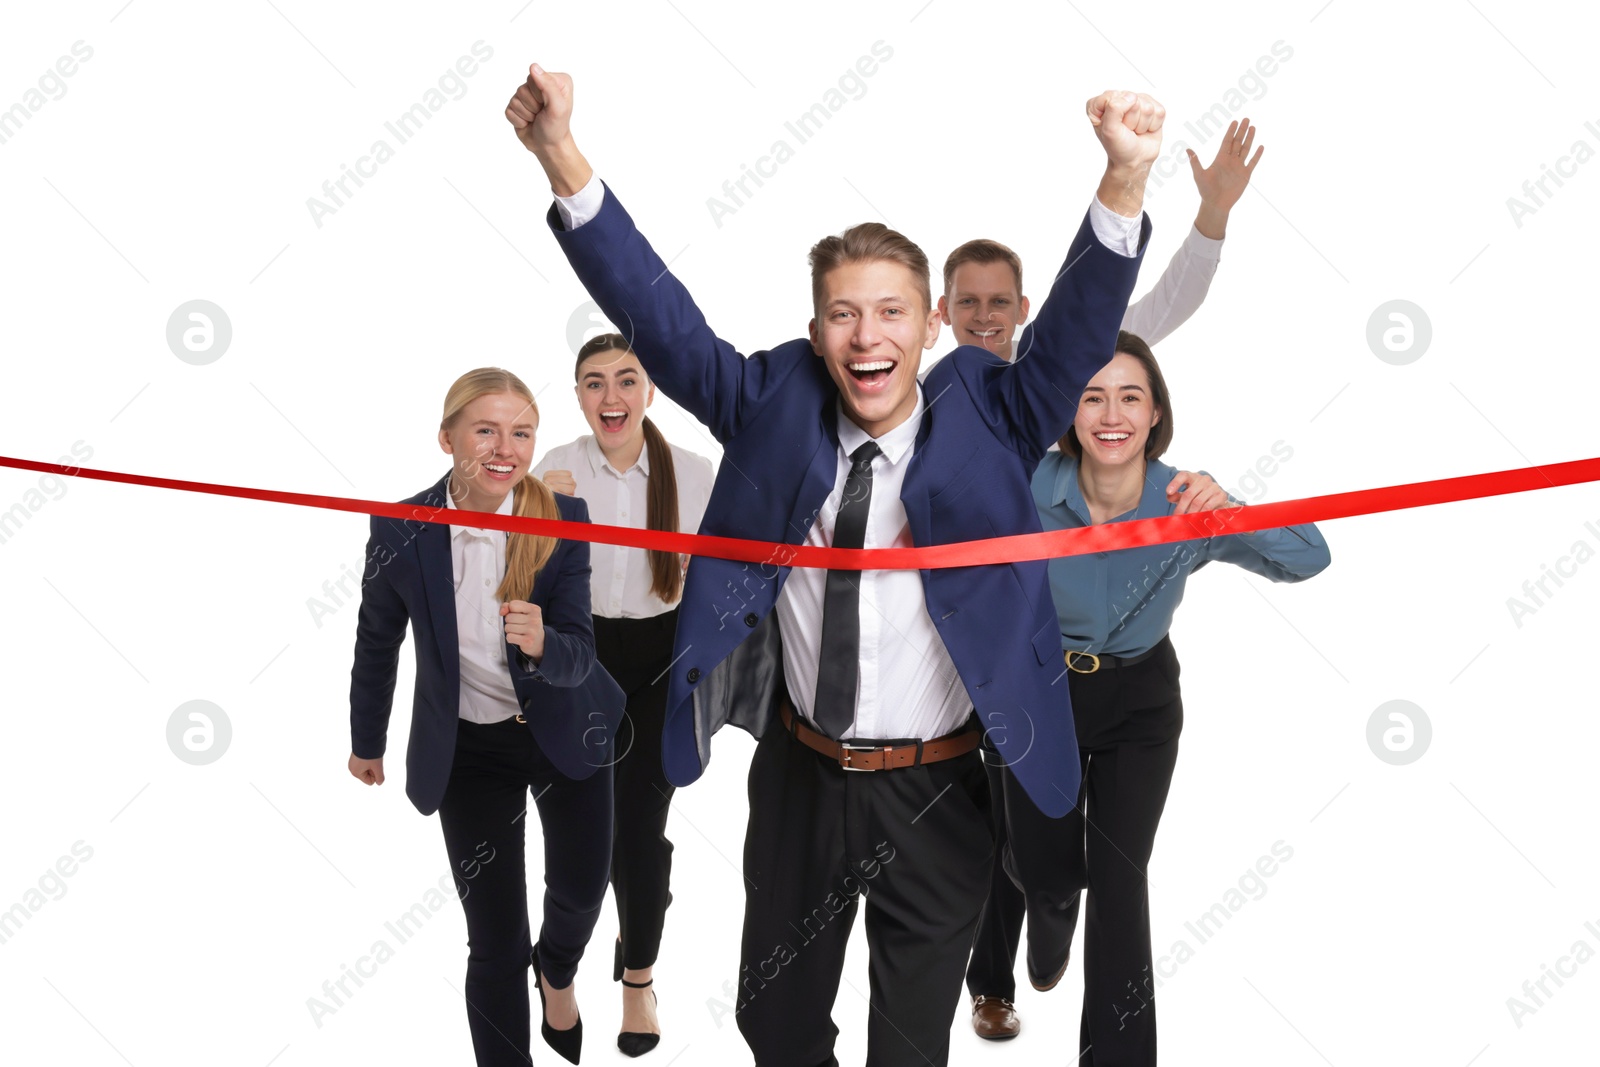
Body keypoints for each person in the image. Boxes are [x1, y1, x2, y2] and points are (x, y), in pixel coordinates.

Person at [507, 61, 1160, 1067]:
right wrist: (561, 156)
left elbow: (1073, 333)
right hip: (804, 780)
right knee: (774, 1025)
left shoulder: (994, 412)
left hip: (938, 793)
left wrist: (1122, 180)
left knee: (909, 1050)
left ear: (931, 324)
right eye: (845, 315)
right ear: (817, 334)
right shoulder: (775, 400)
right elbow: (664, 325)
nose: (868, 336)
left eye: (892, 312)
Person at [957, 119, 1265, 1042]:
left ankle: (1062, 957)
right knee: (1015, 832)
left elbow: (1165, 300)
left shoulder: (1064, 366)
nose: (983, 319)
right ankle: (1000, 973)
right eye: (966, 304)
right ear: (943, 311)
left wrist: (1208, 216)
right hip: (999, 652)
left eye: (999, 304)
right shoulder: (934, 391)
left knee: (1080, 850)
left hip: (1104, 661)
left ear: (1025, 312)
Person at [1002, 331, 1331, 1065]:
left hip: (1139, 702)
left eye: (1130, 396)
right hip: (1041, 694)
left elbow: (1311, 556)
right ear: (1070, 411)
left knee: (1121, 877)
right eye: (1091, 396)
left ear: (1155, 415)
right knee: (1046, 866)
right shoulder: (1028, 484)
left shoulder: (1183, 500)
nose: (1110, 412)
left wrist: (1232, 509)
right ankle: (1050, 906)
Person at [346, 367, 625, 1067]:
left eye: (522, 432)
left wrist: (543, 641)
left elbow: (580, 652)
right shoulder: (400, 529)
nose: (506, 447)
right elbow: (378, 640)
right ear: (446, 438)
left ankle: (556, 969)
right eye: (486, 430)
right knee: (496, 940)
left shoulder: (563, 521)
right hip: (470, 751)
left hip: (566, 731)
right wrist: (366, 740)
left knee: (582, 892)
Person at [533, 333, 715, 1057]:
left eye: (626, 380)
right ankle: (557, 965)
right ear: (577, 395)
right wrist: (546, 513)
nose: (611, 397)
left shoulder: (694, 474)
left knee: (641, 832)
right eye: (594, 383)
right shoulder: (553, 469)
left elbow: (721, 586)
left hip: (659, 660)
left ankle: (638, 976)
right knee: (583, 831)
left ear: (649, 391)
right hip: (579, 658)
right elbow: (515, 576)